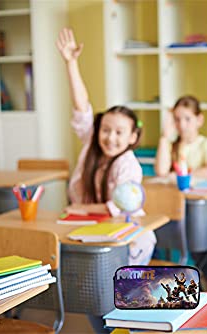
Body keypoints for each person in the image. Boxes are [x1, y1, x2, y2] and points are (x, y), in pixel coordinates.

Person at [57, 28, 156, 265]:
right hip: (86, 227)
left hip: (124, 234)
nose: (111, 138)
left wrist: (83, 209)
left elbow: (119, 207)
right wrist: (71, 64)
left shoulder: (128, 165)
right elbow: (81, 106)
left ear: (133, 137)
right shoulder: (91, 142)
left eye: (119, 132)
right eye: (105, 130)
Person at [154, 95, 207, 181]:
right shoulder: (170, 145)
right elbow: (161, 172)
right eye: (177, 119)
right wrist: (164, 137)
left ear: (199, 120)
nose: (182, 125)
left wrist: (179, 175)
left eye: (187, 119)